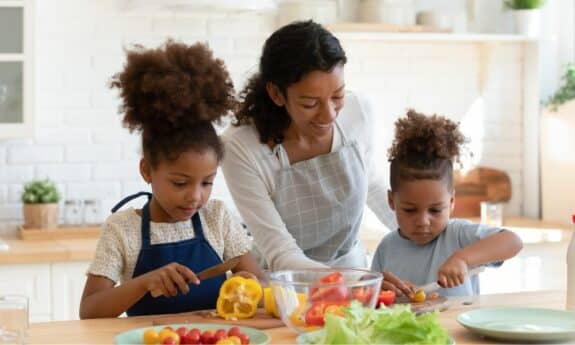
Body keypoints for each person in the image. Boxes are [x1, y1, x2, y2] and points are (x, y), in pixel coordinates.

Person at [221, 20, 412, 296]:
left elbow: (370, 184)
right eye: (310, 103)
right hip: (286, 291)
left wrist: (427, 233)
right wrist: (356, 283)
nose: (329, 115)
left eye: (337, 95)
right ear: (276, 94)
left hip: (355, 277)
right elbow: (280, 251)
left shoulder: (359, 111)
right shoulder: (240, 147)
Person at [80, 41, 263, 319]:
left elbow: (261, 285)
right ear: (147, 170)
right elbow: (90, 311)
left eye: (207, 183)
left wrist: (251, 285)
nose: (195, 196)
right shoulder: (122, 230)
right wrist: (144, 282)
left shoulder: (218, 219)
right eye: (180, 183)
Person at [371, 110, 523, 297]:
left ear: (451, 202)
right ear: (391, 201)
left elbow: (513, 242)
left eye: (435, 210)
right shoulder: (386, 248)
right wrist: (381, 291)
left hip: (457, 326)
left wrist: (463, 258)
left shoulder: (458, 236)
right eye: (410, 210)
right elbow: (373, 299)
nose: (423, 221)